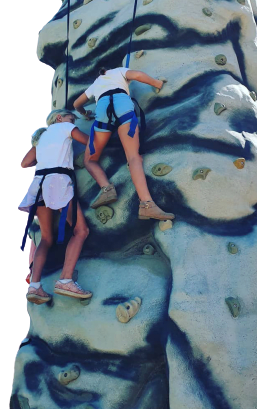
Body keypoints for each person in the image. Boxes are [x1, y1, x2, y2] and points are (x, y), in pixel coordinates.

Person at [73, 66, 175, 221]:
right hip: (123, 107)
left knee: (90, 160)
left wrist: (85, 113)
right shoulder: (119, 71)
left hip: (103, 111)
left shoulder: (96, 83)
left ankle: (106, 188)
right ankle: (147, 205)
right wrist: (157, 83)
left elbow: (76, 104)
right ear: (109, 70)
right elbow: (138, 75)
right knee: (133, 157)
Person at [19, 109, 92, 304]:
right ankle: (65, 280)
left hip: (39, 185)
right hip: (58, 182)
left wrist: (46, 156)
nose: (73, 122)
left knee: (46, 238)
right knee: (81, 230)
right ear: (59, 118)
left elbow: (25, 163)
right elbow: (90, 141)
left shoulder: (41, 137)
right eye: (71, 118)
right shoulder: (65, 127)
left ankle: (34, 286)